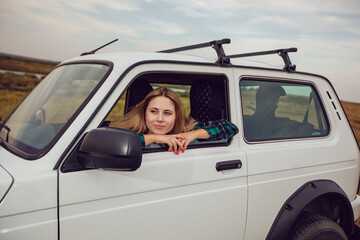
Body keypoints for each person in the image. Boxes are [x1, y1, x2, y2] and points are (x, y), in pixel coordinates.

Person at [111, 87, 238, 154]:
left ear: (176, 116)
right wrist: (155, 138)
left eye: (167, 113)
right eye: (153, 111)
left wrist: (193, 134)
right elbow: (112, 143)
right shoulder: (128, 130)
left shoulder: (185, 128)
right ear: (144, 113)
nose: (159, 119)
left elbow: (229, 127)